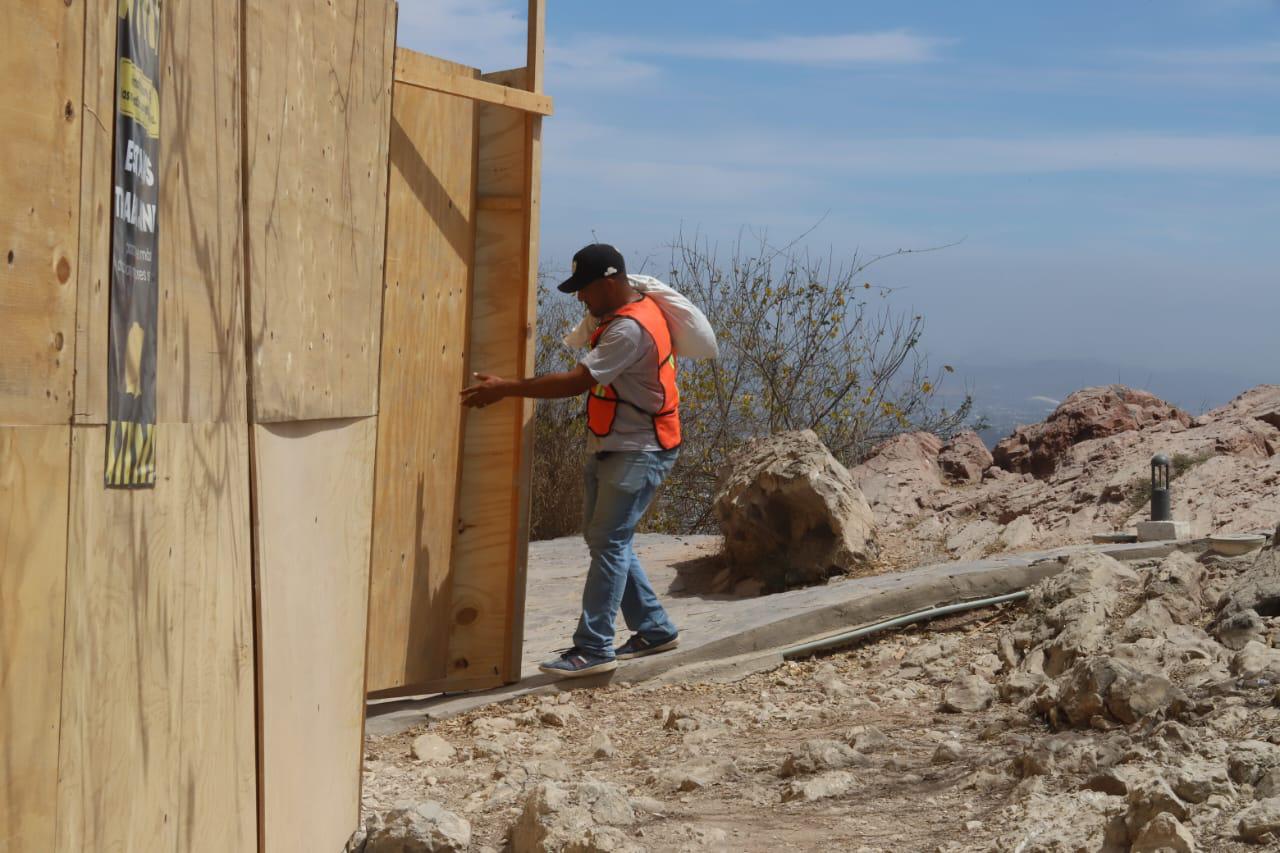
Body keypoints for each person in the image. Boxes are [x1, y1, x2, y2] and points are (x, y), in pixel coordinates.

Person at [460, 243, 681, 677]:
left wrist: (506, 388)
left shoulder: (628, 330)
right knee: (606, 540)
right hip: (616, 445)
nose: (581, 298)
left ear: (611, 282)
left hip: (639, 449)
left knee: (610, 542)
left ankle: (594, 648)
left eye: (585, 289)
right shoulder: (619, 316)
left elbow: (577, 383)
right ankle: (654, 628)